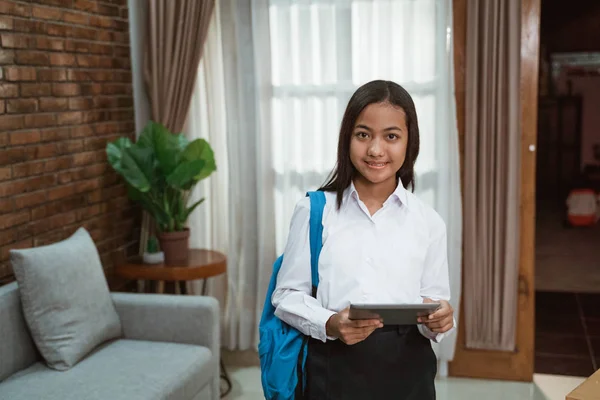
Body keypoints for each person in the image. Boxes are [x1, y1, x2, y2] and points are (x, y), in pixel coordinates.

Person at [271, 80, 455, 399]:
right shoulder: (315, 211)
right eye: (363, 134)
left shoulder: (428, 222)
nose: (375, 150)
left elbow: (433, 305)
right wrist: (330, 322)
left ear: (410, 143)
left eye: (391, 136)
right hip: (333, 369)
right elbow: (285, 295)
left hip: (409, 373)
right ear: (348, 138)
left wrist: (439, 317)